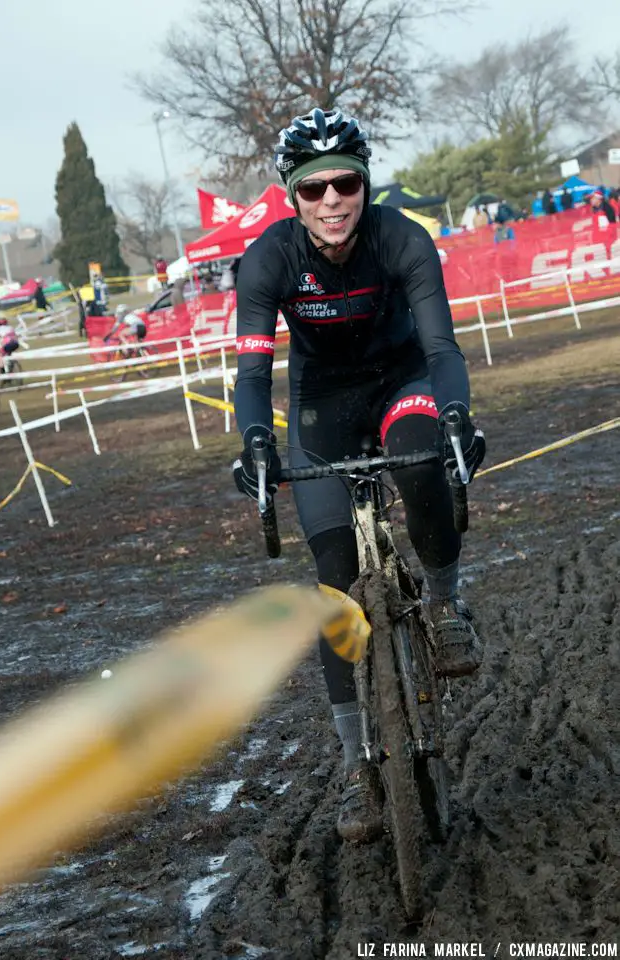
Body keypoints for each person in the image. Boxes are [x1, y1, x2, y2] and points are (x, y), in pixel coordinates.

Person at [232, 107, 486, 842]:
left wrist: (457, 420)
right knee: (334, 583)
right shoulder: (268, 260)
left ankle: (443, 604)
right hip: (323, 408)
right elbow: (252, 372)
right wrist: (254, 440)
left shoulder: (402, 239)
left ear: (365, 183)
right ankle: (355, 769)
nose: (333, 199)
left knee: (422, 460)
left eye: (346, 182)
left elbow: (442, 349)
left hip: (402, 379)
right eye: (314, 189)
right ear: (293, 197)